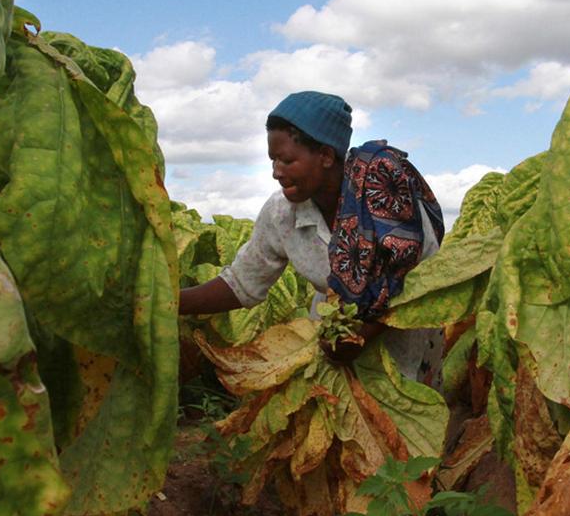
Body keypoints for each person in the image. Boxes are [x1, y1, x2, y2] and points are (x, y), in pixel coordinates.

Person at [178, 90, 445, 387]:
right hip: (333, 340)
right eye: (272, 161)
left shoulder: (388, 201)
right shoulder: (282, 213)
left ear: (326, 156)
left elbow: (417, 281)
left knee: (403, 426)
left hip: (403, 336)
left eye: (287, 160)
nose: (276, 172)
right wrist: (170, 302)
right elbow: (243, 283)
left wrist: (361, 334)